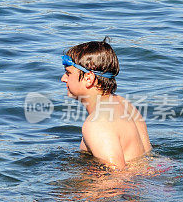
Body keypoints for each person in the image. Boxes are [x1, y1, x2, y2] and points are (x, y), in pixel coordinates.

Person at [61, 38, 151, 169]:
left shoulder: (96, 124)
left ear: (89, 78)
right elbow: (147, 159)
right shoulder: (124, 104)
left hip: (138, 186)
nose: (63, 79)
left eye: (68, 73)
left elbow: (116, 180)